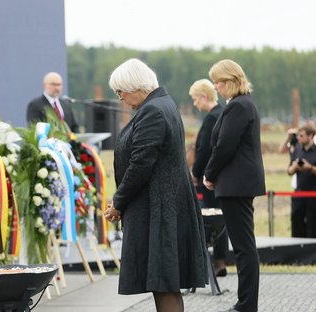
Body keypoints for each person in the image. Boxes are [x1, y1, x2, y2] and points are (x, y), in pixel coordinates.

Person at [104, 58, 207, 312]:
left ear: (134, 85)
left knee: (164, 285)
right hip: (165, 206)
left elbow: (140, 164)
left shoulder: (152, 111)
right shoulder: (163, 104)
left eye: (120, 91)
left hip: (160, 210)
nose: (120, 98)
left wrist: (118, 202)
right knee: (165, 285)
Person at [203, 59, 266, 312]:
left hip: (235, 184)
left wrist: (209, 173)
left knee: (243, 248)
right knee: (244, 246)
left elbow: (224, 146)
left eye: (218, 81)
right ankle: (246, 302)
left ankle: (246, 304)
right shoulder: (242, 104)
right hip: (238, 183)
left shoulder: (238, 106)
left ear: (230, 80)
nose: (215, 86)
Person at [189, 79, 229, 277]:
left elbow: (203, 150)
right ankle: (220, 261)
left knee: (212, 219)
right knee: (222, 219)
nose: (195, 104)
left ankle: (216, 262)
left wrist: (196, 174)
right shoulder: (222, 113)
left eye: (195, 99)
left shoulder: (211, 118)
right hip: (222, 177)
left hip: (209, 179)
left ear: (204, 97)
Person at [287, 125, 316, 238]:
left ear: (310, 136)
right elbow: (289, 171)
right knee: (296, 221)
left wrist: (310, 168)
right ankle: (297, 250)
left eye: (302, 135)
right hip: (298, 194)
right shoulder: (297, 151)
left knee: (312, 224)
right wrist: (293, 168)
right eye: (298, 135)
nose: (298, 138)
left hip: (313, 196)